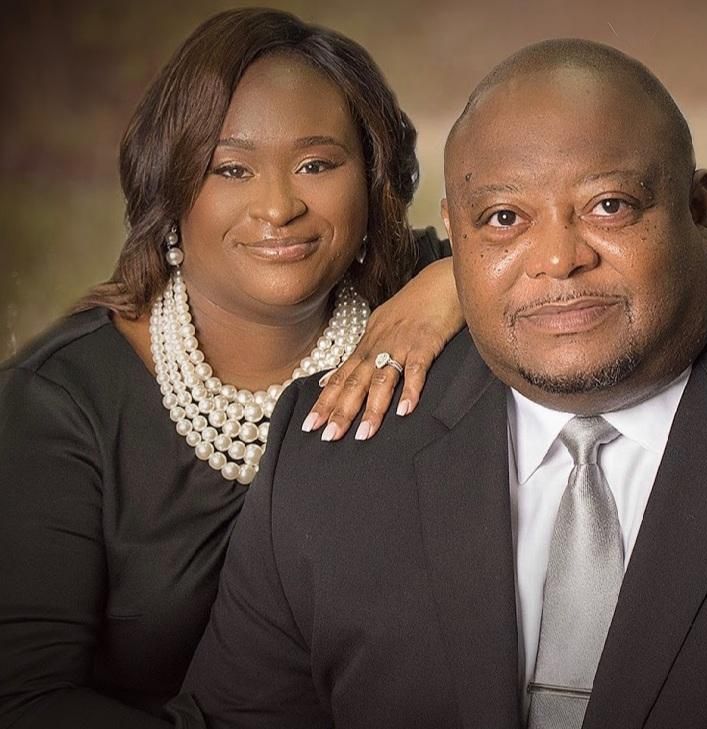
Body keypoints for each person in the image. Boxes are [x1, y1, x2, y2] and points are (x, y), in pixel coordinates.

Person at [170, 39, 707, 729]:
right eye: (505, 220)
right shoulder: (331, 460)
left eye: (608, 206)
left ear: (699, 207)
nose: (558, 258)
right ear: (454, 233)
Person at [0, 9, 466, 728]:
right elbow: (25, 700)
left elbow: (586, 260)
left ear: (371, 180)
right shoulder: (62, 402)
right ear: (172, 187)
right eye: (231, 168)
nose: (278, 206)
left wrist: (455, 284)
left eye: (317, 163)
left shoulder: (416, 298)